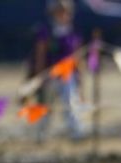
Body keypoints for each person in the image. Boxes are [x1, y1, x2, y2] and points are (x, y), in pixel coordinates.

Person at [28, 0, 85, 141]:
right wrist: (40, 75)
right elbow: (40, 54)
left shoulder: (73, 30)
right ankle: (41, 134)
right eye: (59, 11)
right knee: (46, 105)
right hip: (50, 74)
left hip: (68, 75)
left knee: (71, 103)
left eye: (65, 11)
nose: (63, 14)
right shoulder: (46, 30)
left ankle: (75, 133)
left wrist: (79, 75)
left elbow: (77, 55)